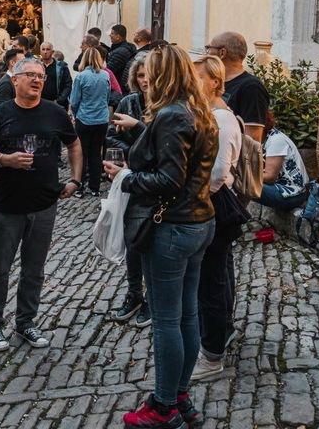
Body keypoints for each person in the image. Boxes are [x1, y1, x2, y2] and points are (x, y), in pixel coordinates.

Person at [103, 44, 217, 428]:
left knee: (168, 321)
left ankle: (164, 406)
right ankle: (179, 395)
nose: (146, 79)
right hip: (199, 222)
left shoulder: (172, 115)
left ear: (165, 74)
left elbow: (169, 180)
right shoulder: (199, 111)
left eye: (151, 71)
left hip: (172, 227)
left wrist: (124, 177)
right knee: (186, 316)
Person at [0, 57, 83, 353]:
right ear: (15, 80)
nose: (38, 80)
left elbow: (73, 143)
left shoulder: (54, 112)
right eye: (30, 75)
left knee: (34, 269)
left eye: (41, 76)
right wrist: (5, 160)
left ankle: (26, 321)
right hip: (7, 204)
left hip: (44, 204)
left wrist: (75, 180)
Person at [190, 54, 245, 381]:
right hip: (214, 202)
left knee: (210, 280)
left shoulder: (221, 120)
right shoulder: (209, 114)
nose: (193, 84)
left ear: (215, 82)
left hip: (216, 204)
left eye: (198, 78)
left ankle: (211, 356)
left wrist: (191, 200)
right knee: (218, 274)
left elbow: (218, 173)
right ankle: (221, 332)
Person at [107, 56, 151, 326]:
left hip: (153, 180)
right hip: (128, 176)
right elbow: (110, 136)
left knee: (152, 241)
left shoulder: (165, 107)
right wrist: (126, 155)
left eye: (149, 75)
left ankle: (152, 300)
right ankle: (134, 293)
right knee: (132, 239)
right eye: (141, 75)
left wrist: (138, 146)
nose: (145, 81)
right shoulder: (128, 102)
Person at [205, 32, 268, 143]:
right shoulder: (216, 82)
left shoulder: (251, 87)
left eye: (209, 48)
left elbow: (252, 139)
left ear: (222, 53)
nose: (207, 53)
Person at [71, 46, 112, 198]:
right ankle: (94, 187)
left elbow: (75, 100)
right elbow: (107, 98)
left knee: (82, 153)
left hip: (85, 118)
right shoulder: (105, 76)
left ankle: (79, 186)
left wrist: (75, 114)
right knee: (96, 153)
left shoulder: (81, 77)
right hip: (101, 119)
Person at [256, 112, 309, 211]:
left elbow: (270, 177)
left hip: (293, 194)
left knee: (244, 184)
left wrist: (243, 176)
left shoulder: (275, 140)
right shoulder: (264, 138)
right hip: (279, 188)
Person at [39, 41, 72, 108]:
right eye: (43, 49)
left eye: (48, 49)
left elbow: (68, 85)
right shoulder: (35, 66)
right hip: (39, 104)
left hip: (57, 104)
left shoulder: (61, 66)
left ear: (52, 52)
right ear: (40, 52)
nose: (45, 52)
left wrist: (59, 100)